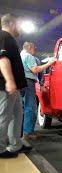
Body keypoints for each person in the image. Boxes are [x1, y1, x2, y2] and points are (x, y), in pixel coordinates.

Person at [0, 14, 32, 158]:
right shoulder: (4, 36)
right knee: (4, 116)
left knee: (16, 115)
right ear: (12, 23)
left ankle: (15, 144)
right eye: (19, 24)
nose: (20, 28)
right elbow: (2, 58)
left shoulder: (9, 38)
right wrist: (9, 81)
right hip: (5, 86)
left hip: (13, 88)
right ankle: (0, 148)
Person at [20, 42, 56, 140]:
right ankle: (28, 133)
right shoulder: (29, 56)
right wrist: (49, 63)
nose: (35, 50)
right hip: (28, 83)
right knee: (31, 108)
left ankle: (21, 132)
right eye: (34, 48)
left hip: (20, 83)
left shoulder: (20, 55)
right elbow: (35, 69)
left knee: (21, 109)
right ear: (30, 47)